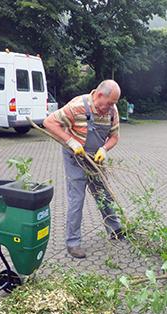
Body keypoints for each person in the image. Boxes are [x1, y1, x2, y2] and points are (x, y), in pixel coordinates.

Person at [43, 79, 124, 259]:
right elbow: (49, 122)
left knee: (104, 194)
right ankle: (73, 243)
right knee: (76, 199)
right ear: (99, 95)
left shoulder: (112, 111)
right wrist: (70, 141)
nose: (110, 107)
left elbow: (114, 137)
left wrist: (104, 149)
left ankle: (115, 229)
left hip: (96, 159)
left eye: (113, 104)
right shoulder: (77, 105)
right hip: (75, 158)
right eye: (109, 103)